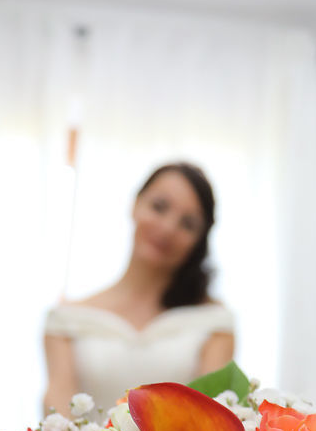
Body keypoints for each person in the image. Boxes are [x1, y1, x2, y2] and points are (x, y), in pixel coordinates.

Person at [42, 162, 235, 415]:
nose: (168, 228)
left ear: (199, 241)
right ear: (135, 204)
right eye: (159, 207)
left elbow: (212, 420)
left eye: (187, 224)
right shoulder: (65, 322)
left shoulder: (214, 324)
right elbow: (58, 420)